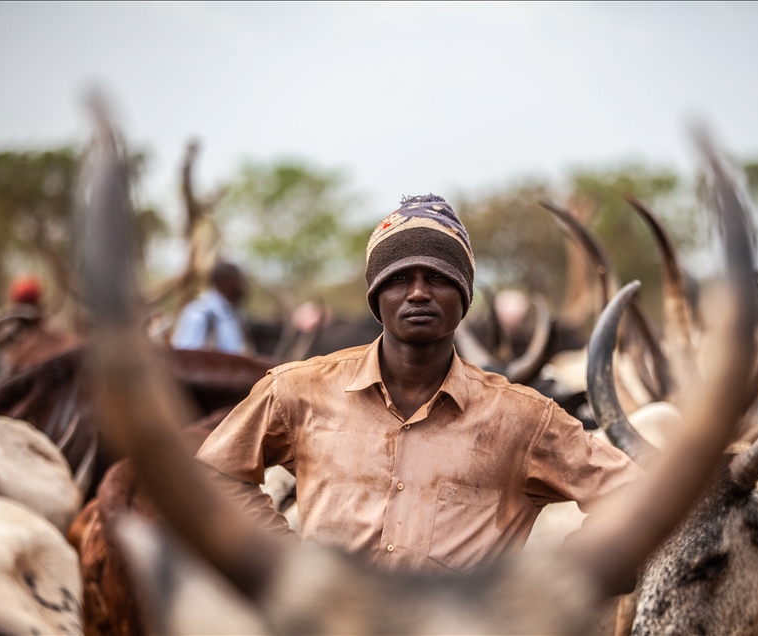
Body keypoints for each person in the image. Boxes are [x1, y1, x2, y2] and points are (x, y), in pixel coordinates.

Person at [196, 194, 640, 574]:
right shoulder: (298, 390)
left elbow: (634, 495)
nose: (418, 293)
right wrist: (288, 568)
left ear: (463, 296)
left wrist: (562, 580)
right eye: (400, 278)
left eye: (439, 278)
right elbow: (216, 474)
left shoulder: (522, 418)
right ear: (377, 294)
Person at [171, 261, 248, 354]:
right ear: (225, 281)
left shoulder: (229, 315)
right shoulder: (199, 313)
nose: (242, 286)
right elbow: (186, 358)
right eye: (238, 280)